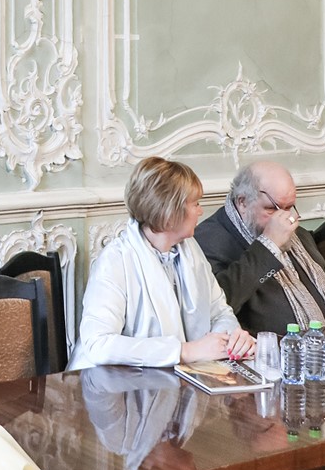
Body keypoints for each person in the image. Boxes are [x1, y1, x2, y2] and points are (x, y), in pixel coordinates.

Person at [70, 156, 254, 370]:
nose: (200, 211)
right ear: (169, 213)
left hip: (174, 377)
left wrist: (230, 339)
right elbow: (98, 344)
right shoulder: (115, 261)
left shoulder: (190, 249)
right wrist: (184, 351)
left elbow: (220, 312)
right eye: (195, 204)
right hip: (115, 383)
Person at [195, 160, 325, 334]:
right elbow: (219, 305)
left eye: (289, 207)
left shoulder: (297, 234)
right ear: (242, 202)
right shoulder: (209, 240)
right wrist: (268, 246)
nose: (285, 218)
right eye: (272, 209)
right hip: (273, 356)